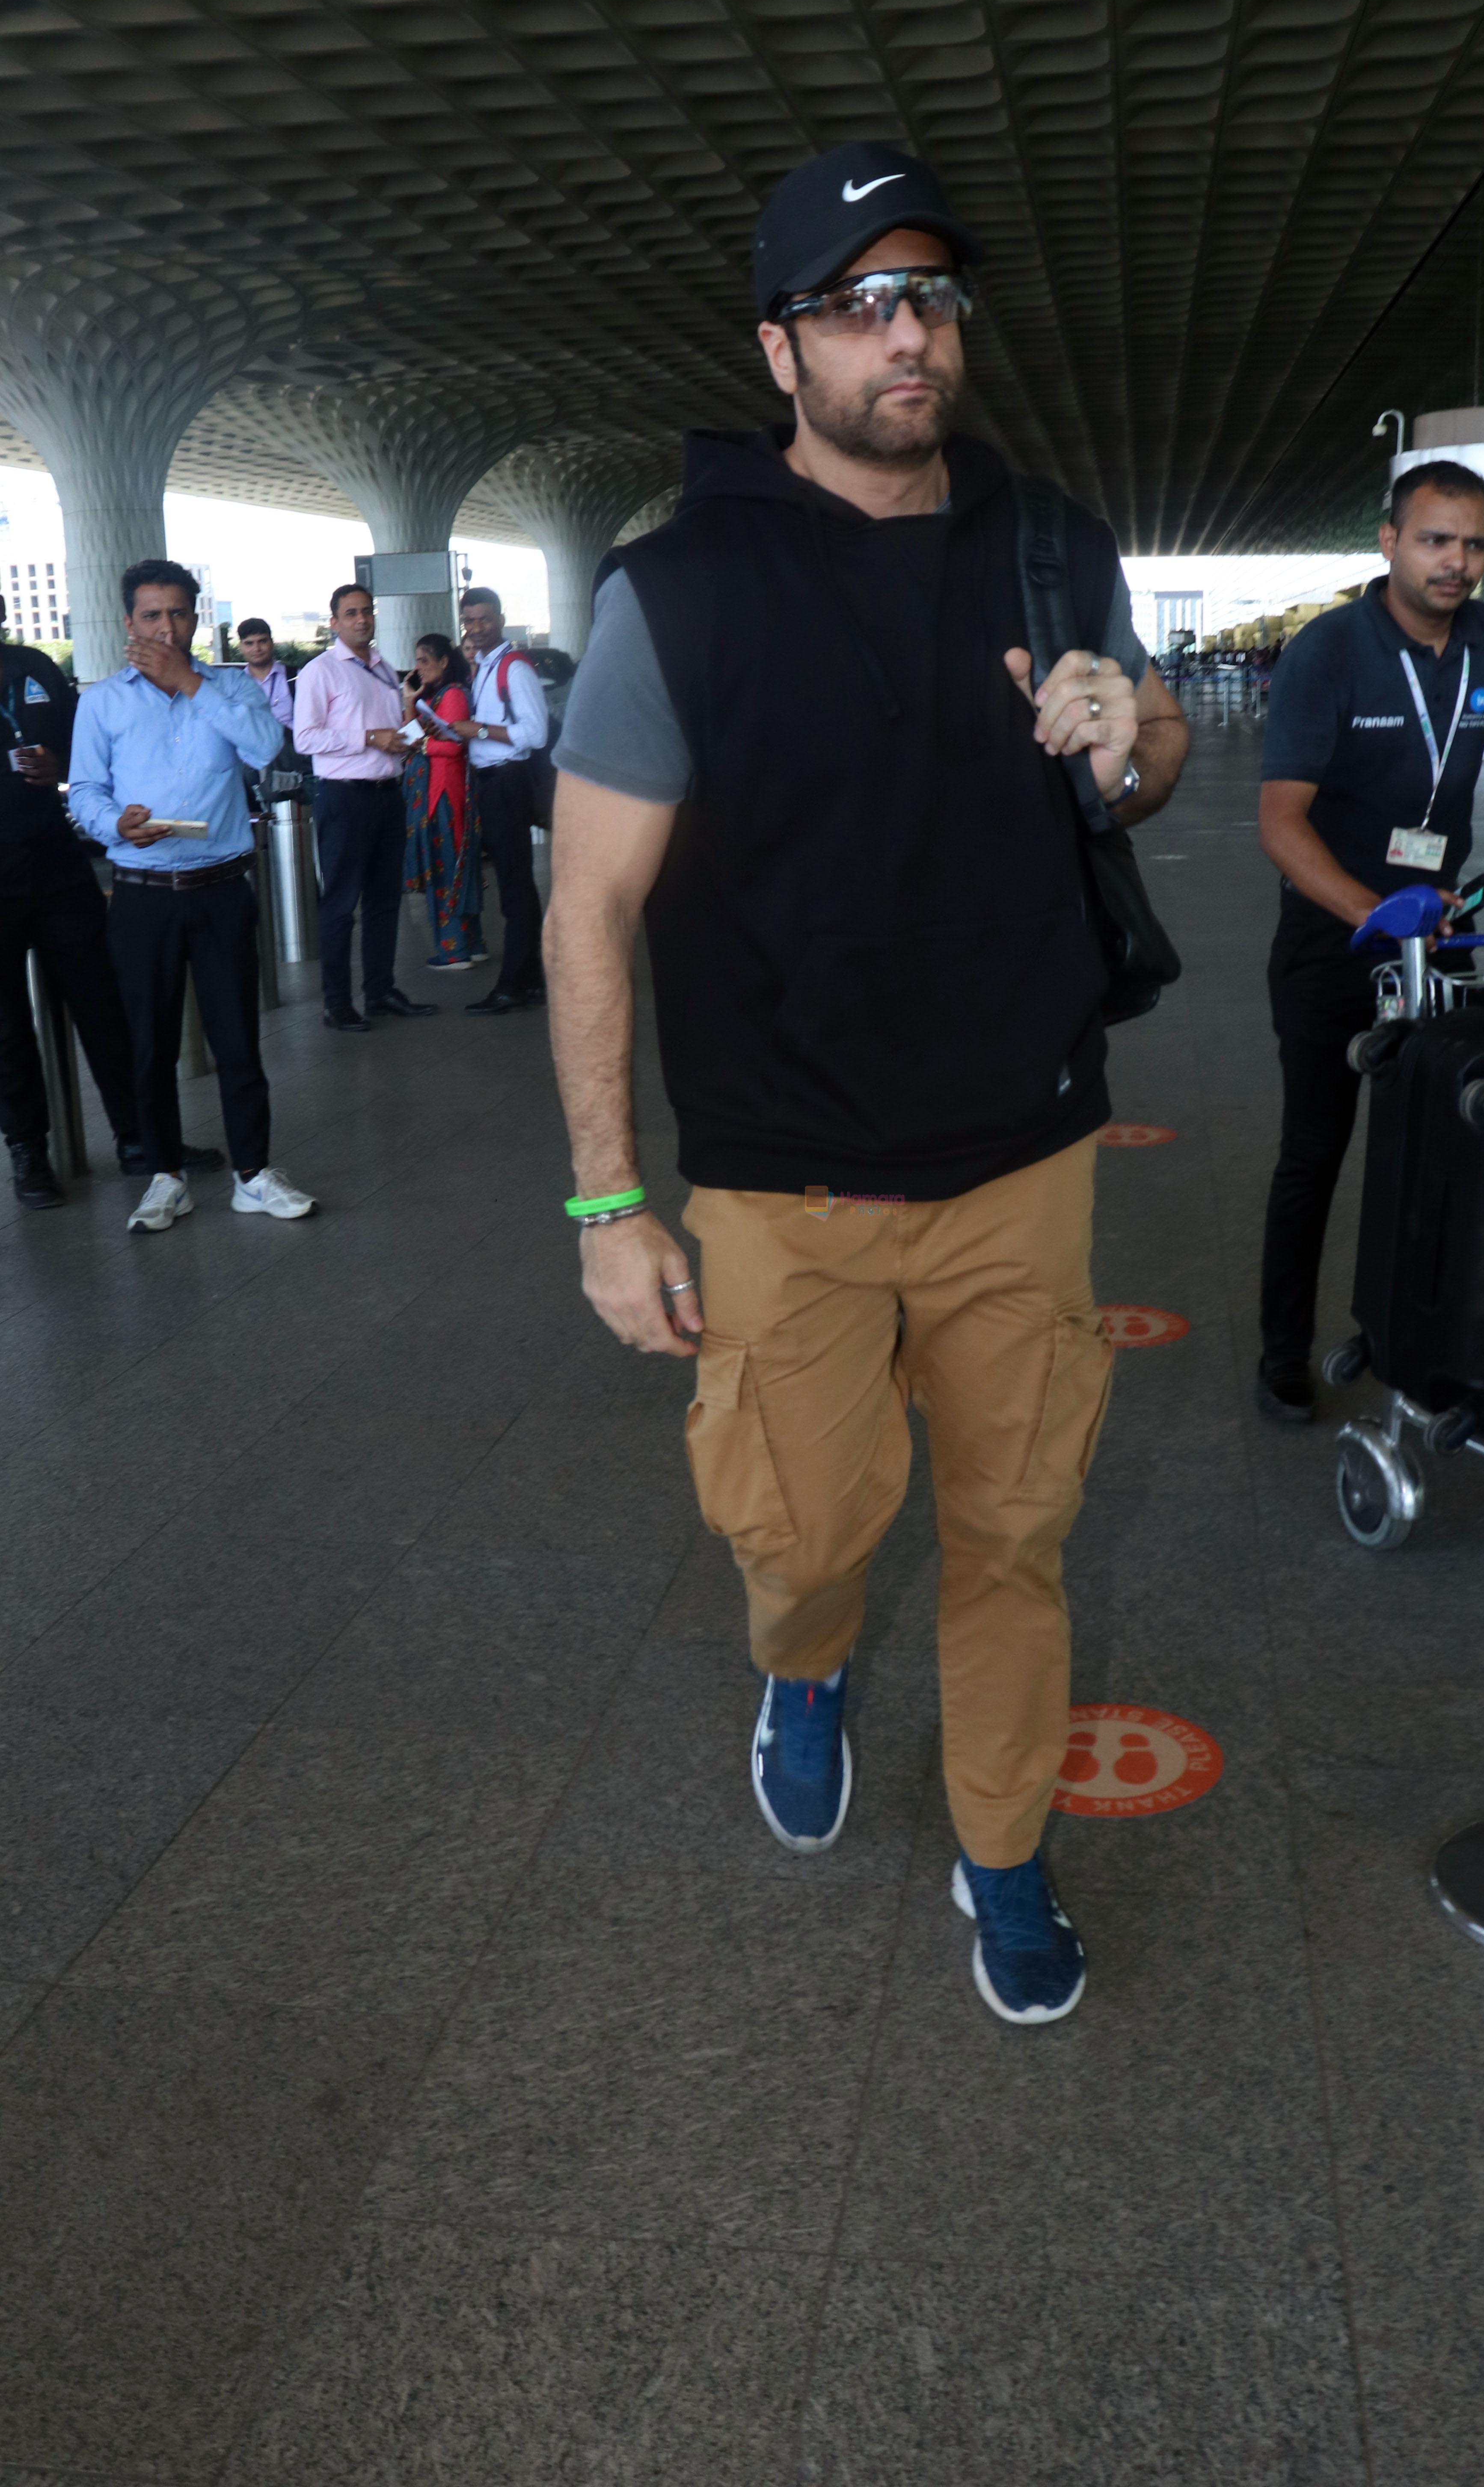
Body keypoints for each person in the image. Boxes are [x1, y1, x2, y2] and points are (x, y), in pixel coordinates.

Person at [544, 141, 1189, 2026]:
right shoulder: (672, 594)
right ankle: (805, 1661)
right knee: (803, 1527)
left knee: (1012, 1530)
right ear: (779, 350)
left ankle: (1001, 1849)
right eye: (859, 301)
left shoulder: (1053, 542)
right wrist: (605, 1199)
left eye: (929, 299)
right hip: (778, 1173)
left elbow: (1135, 761)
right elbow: (587, 906)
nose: (907, 334)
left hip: (1018, 1150)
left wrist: (1129, 731)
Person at [1254, 461, 1484, 1423]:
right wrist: (1369, 909)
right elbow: (1280, 822)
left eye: (1471, 545)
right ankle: (1280, 1351)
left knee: (1430, 1142)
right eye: (1433, 541)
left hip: (1441, 942)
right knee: (1313, 1149)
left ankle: (1400, 1328)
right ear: (1388, 543)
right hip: (1331, 935)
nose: (1454, 563)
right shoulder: (1327, 652)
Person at [66, 559, 318, 1232]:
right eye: (151, 616)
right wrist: (112, 823)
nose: (166, 628)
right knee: (148, 1045)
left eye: (178, 614)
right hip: (143, 895)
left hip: (220, 890)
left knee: (238, 1040)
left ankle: (253, 1175)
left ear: (195, 619)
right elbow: (85, 790)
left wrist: (190, 684)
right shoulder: (103, 701)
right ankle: (164, 1177)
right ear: (129, 624)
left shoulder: (232, 690)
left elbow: (269, 750)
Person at [0, 594, 161, 1208]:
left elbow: (85, 748)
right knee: (7, 1024)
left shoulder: (35, 668)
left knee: (102, 999)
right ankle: (28, 1151)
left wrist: (57, 764)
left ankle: (136, 1135)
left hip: (56, 863)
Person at [291, 583, 436, 1033]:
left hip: (387, 794)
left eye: (367, 611)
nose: (362, 619)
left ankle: (380, 990)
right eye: (351, 613)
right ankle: (337, 1002)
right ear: (334, 622)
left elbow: (393, 733)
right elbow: (306, 738)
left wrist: (411, 735)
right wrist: (370, 738)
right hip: (343, 797)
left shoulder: (384, 670)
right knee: (340, 903)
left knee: (383, 901)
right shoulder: (321, 672)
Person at [442, 587, 549, 1016]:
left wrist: (480, 731)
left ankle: (514, 985)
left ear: (501, 619)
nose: (477, 628)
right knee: (514, 882)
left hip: (507, 781)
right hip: (491, 780)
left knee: (515, 884)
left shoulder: (514, 667)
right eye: (469, 621)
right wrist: (453, 730)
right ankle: (530, 978)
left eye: (484, 620)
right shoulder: (484, 667)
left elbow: (535, 734)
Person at [399, 633, 487, 970]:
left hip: (444, 794)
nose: (418, 667)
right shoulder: (436, 696)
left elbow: (452, 746)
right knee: (452, 866)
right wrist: (410, 702)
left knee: (446, 868)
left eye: (423, 660)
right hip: (439, 792)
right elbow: (410, 737)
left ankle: (454, 951)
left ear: (444, 661)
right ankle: (472, 943)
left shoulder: (452, 695)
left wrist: (422, 746)